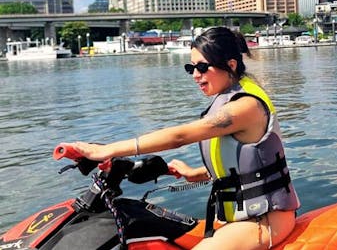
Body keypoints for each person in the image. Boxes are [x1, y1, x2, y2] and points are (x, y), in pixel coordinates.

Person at [67, 26, 300, 250]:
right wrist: (194, 173)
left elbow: (179, 136)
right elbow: (246, 161)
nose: (196, 75)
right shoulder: (229, 97)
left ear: (230, 65)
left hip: (266, 220)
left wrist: (105, 150)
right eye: (191, 68)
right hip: (240, 217)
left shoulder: (245, 106)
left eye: (202, 67)